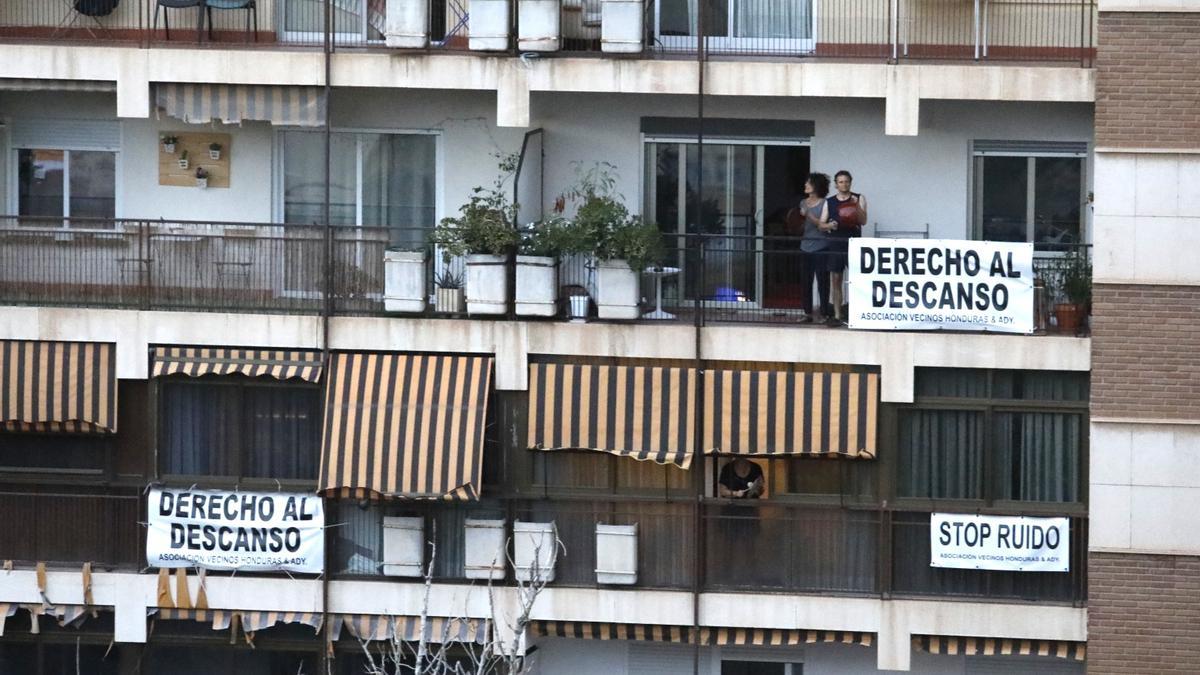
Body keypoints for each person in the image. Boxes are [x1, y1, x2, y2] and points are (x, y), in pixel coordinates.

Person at [825, 170, 868, 327]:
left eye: (846, 181)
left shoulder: (859, 197)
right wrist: (829, 225)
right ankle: (837, 314)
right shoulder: (829, 202)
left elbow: (863, 221)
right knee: (836, 279)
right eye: (841, 182)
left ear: (851, 182)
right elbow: (822, 224)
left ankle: (856, 313)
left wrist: (856, 206)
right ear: (836, 184)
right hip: (836, 242)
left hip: (853, 243)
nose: (844, 184)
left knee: (856, 280)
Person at [796, 172, 837, 323]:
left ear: (816, 186)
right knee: (806, 280)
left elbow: (821, 225)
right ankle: (807, 312)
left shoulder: (825, 203)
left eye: (809, 183)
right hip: (805, 246)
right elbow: (801, 221)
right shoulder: (803, 202)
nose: (806, 185)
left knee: (822, 281)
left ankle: (824, 313)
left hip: (821, 246)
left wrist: (808, 215)